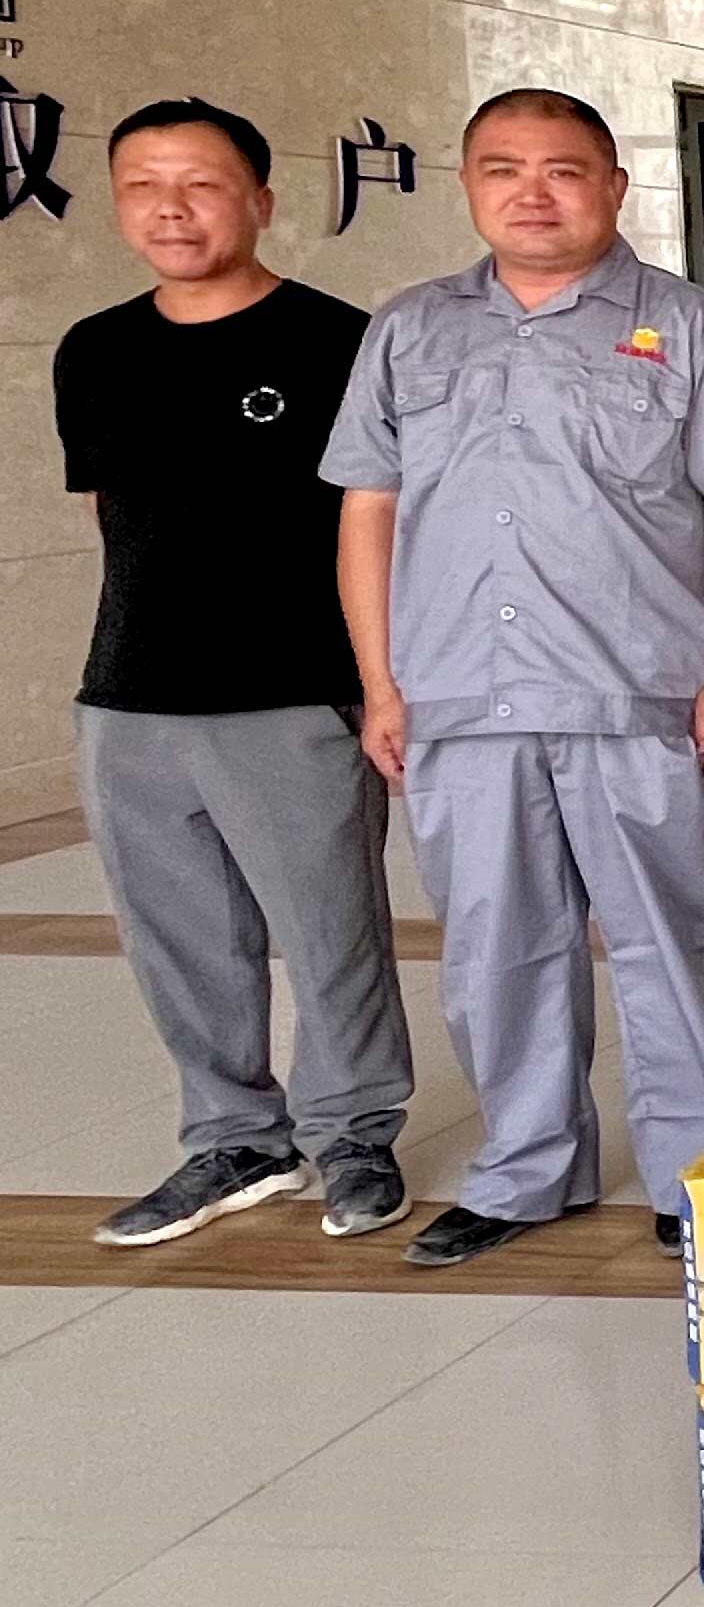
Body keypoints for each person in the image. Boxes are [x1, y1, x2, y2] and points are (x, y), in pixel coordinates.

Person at [323, 87, 704, 1266]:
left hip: (642, 692)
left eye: (564, 170)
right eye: (504, 169)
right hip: (459, 694)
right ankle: (526, 1169)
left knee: (667, 940)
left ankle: (692, 1172)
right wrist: (381, 682)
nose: (534, 193)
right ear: (468, 184)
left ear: (614, 186)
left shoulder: (694, 327)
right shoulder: (410, 330)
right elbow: (369, 512)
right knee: (494, 947)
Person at [61, 98, 414, 1246]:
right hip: (130, 698)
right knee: (177, 939)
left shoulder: (338, 342)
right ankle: (235, 1139)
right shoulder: (94, 349)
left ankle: (354, 1136)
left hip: (293, 691)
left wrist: (380, 681)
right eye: (142, 186)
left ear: (261, 200)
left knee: (331, 933)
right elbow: (111, 515)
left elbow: (384, 523)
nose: (170, 209)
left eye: (200, 184)